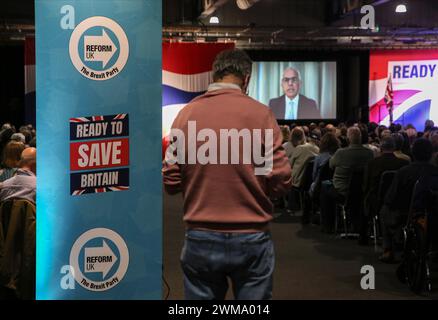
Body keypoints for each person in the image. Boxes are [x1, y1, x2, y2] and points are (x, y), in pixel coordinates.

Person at [162, 49, 292, 300]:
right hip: (252, 235)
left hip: (200, 235)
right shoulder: (261, 114)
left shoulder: (185, 115)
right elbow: (281, 180)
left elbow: (171, 181)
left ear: (214, 74)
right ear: (246, 79)